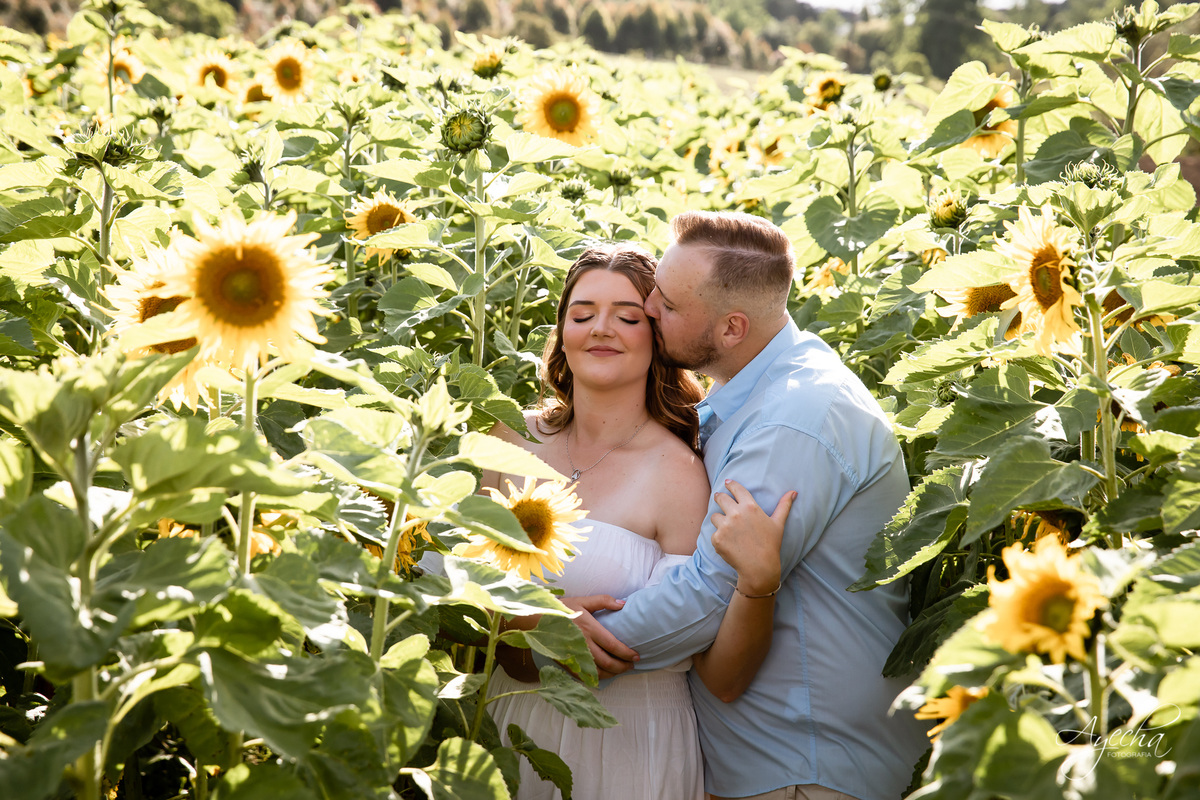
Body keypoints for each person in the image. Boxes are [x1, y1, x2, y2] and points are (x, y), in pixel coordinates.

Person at [572, 211, 929, 800]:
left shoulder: (794, 419)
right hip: (769, 756)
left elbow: (711, 592)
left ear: (732, 328)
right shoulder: (753, 392)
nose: (650, 308)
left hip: (806, 760)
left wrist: (556, 643)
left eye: (668, 303)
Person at [480, 243, 791, 800]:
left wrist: (759, 583)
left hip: (629, 743)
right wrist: (529, 621)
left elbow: (695, 642)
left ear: (657, 337)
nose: (601, 329)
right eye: (582, 314)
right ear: (562, 331)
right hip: (505, 723)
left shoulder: (682, 474)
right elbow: (447, 591)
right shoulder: (508, 441)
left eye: (627, 317)